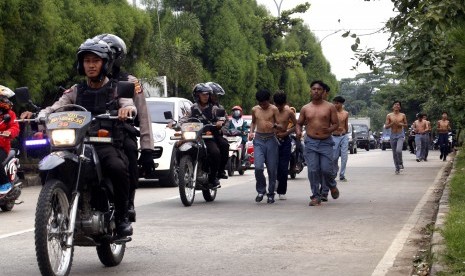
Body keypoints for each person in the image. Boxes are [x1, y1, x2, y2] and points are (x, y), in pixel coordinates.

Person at [20, 38, 136, 237]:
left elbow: (129, 104)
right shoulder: (76, 90)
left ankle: (122, 216)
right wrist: (39, 114)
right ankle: (56, 211)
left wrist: (126, 110)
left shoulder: (116, 88)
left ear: (105, 64)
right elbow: (56, 107)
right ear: (81, 64)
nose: (90, 65)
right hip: (75, 143)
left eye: (96, 61)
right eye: (86, 61)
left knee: (117, 167)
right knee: (49, 166)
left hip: (102, 142)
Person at [93, 33, 155, 222]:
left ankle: (127, 203)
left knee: (128, 151)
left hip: (120, 132)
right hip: (91, 132)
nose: (96, 62)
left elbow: (143, 114)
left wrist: (147, 149)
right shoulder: (88, 80)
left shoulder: (129, 81)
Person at [296, 80, 340, 206]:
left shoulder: (329, 107)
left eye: (319, 89)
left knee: (326, 170)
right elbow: (299, 123)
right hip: (311, 142)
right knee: (313, 170)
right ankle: (316, 196)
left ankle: (332, 186)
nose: (316, 91)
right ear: (311, 91)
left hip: (326, 142)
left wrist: (330, 129)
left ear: (323, 91)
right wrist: (298, 132)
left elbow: (336, 123)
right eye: (314, 89)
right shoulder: (306, 108)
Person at [184, 83, 225, 188]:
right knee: (179, 146)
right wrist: (174, 124)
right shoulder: (192, 108)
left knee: (215, 152)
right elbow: (184, 119)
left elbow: (222, 117)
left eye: (207, 94)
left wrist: (220, 122)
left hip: (208, 137)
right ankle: (182, 169)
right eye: (203, 94)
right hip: (194, 136)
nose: (206, 96)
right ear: (197, 95)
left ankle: (213, 177)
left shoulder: (214, 108)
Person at [248, 89, 281, 204]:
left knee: (272, 169)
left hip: (271, 139)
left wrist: (274, 125)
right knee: (258, 167)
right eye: (260, 103)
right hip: (259, 140)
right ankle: (261, 190)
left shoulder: (274, 109)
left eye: (264, 103)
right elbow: (253, 122)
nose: (263, 105)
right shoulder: (255, 109)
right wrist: (251, 132)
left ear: (269, 100)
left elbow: (280, 125)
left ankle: (271, 193)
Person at [273, 92, 297, 200]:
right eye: (277, 104)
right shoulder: (270, 110)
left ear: (285, 103)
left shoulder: (289, 112)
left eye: (280, 105)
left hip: (285, 141)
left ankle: (281, 191)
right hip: (272, 140)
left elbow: (297, 125)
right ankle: (272, 185)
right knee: (273, 166)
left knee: (283, 167)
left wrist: (286, 133)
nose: (278, 107)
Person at [206, 82, 229, 179]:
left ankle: (220, 170)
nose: (215, 97)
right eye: (213, 95)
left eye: (216, 95)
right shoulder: (195, 107)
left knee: (224, 145)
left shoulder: (219, 108)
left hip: (214, 134)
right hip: (198, 134)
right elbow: (186, 118)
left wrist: (221, 129)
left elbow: (226, 121)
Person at [0, 86, 20, 194]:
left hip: (2, 146)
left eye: (4, 99)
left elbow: (15, 127)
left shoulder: (10, 115)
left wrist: (9, 132)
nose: (4, 101)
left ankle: (4, 183)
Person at [384, 101, 408, 174]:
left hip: (400, 134)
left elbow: (406, 125)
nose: (396, 106)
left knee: (398, 150)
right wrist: (392, 123)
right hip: (393, 135)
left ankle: (400, 163)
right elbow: (386, 126)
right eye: (395, 104)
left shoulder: (402, 115)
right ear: (393, 107)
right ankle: (397, 168)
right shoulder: (389, 115)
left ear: (400, 107)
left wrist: (401, 124)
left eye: (398, 105)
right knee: (394, 153)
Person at [331, 96, 349, 182]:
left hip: (344, 136)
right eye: (334, 103)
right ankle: (334, 171)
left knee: (344, 156)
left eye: (337, 103)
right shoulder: (332, 113)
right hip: (334, 136)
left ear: (341, 104)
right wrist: (334, 129)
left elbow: (346, 125)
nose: (335, 105)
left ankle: (342, 175)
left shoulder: (346, 113)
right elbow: (329, 125)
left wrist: (345, 131)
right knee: (334, 157)